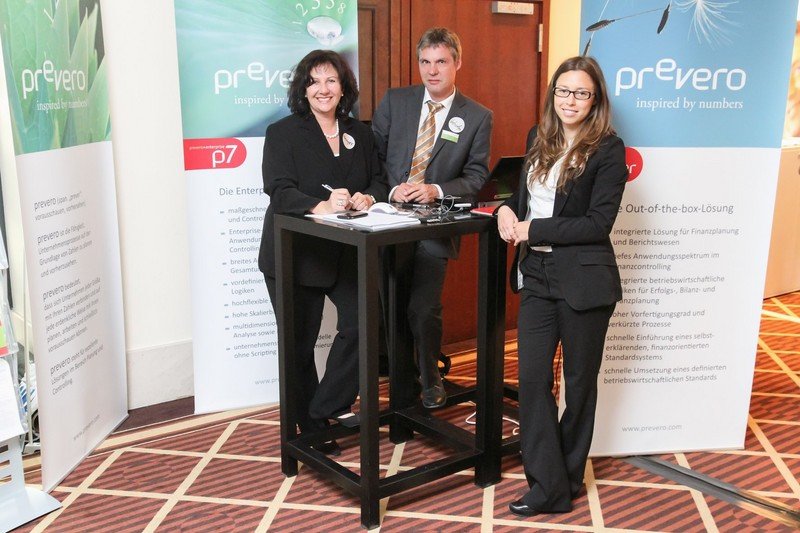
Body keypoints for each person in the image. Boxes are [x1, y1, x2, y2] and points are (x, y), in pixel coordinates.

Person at [496, 56, 628, 516]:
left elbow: (597, 223)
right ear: (553, 93)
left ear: (595, 100)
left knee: (578, 386)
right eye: (564, 90)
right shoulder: (538, 137)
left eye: (581, 93)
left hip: (584, 281)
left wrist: (535, 229)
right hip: (536, 274)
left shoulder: (608, 149)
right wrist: (506, 210)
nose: (570, 100)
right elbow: (523, 199)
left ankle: (565, 480)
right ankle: (548, 484)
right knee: (532, 381)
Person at [258, 50, 387, 454]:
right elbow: (279, 190)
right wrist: (322, 205)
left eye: (332, 80)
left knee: (366, 321)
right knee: (300, 345)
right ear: (303, 89)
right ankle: (312, 427)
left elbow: (379, 181)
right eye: (314, 81)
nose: (323, 89)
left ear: (344, 87)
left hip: (344, 251)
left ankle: (326, 405)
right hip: (294, 254)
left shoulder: (360, 133)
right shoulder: (283, 133)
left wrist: (368, 197)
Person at [372, 27, 492, 408]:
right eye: (425, 62)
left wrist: (435, 190)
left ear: (457, 63)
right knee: (391, 306)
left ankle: (429, 376)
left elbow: (476, 177)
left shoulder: (477, 117)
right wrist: (392, 190)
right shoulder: (396, 101)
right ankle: (401, 384)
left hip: (435, 224)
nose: (432, 70)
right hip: (388, 219)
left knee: (423, 307)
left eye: (441, 62)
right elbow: (373, 159)